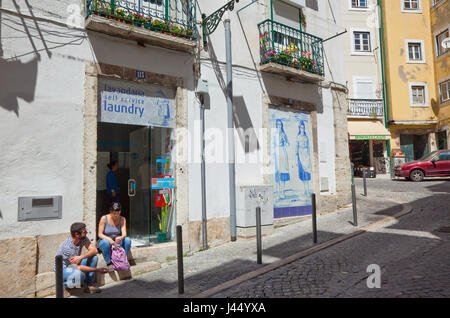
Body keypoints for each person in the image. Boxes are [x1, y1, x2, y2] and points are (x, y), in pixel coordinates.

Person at [54, 223, 108, 295]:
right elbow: (78, 267)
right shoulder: (67, 247)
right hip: (63, 269)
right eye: (84, 231)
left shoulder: (83, 238)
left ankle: (88, 285)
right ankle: (65, 284)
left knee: (94, 257)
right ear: (77, 234)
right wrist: (97, 270)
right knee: (80, 274)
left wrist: (80, 257)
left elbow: (94, 250)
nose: (86, 232)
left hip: (74, 265)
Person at [97, 202, 131, 272]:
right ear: (110, 212)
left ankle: (123, 258)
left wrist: (121, 237)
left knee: (127, 240)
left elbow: (124, 233)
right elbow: (100, 234)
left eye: (118, 213)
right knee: (105, 242)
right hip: (106, 241)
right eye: (114, 213)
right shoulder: (104, 218)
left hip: (116, 242)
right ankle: (109, 263)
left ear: (120, 212)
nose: (116, 215)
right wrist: (109, 239)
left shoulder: (122, 219)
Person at [274, 119, 290, 200]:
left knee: (283, 174)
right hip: (277, 153)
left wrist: (285, 141)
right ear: (276, 125)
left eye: (280, 124)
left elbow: (288, 144)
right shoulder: (274, 134)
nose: (279, 126)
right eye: (278, 124)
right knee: (278, 174)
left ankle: (282, 192)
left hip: (283, 154)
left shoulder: (283, 134)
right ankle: (278, 192)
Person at [296, 120, 312, 196]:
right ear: (299, 128)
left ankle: (307, 190)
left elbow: (308, 147)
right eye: (301, 127)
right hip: (300, 154)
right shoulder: (298, 137)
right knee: (303, 174)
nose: (302, 129)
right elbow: (297, 147)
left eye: (303, 127)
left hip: (306, 155)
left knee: (307, 173)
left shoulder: (306, 137)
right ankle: (305, 190)